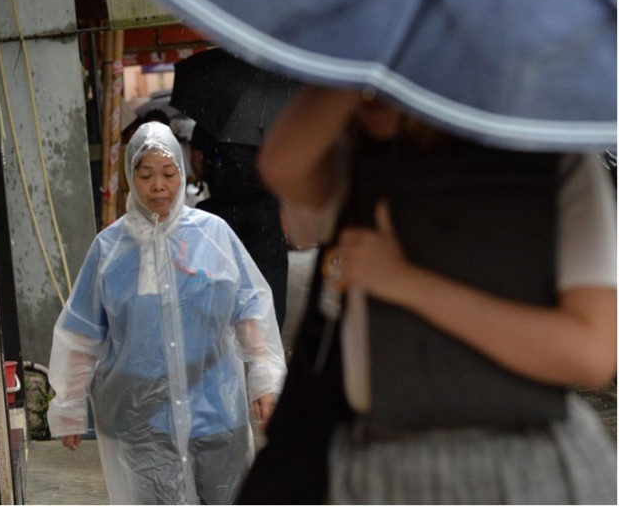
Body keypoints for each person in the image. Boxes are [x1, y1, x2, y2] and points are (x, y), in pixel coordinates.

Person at [239, 85, 617, 504]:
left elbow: (591, 352)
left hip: (532, 462)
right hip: (383, 466)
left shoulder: (556, 161)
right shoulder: (358, 161)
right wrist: (364, 61)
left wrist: (404, 282)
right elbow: (281, 164)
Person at [47, 121, 287, 505]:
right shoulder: (109, 250)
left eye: (168, 173)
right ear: (130, 178)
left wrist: (265, 379)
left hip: (215, 412)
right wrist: (70, 406)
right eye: (145, 175)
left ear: (182, 172)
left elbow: (251, 308)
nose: (158, 186)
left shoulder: (213, 235)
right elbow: (82, 332)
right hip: (140, 421)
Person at [190, 124, 289, 329]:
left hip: (224, 206)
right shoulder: (279, 113)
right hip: (265, 207)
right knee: (268, 274)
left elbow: (197, 159)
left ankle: (224, 335)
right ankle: (268, 335)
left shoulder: (218, 110)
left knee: (221, 274)